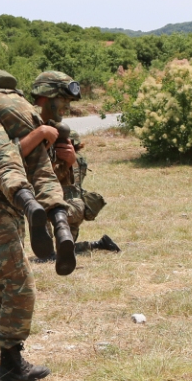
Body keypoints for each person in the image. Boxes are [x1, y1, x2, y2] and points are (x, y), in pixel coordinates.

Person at [0, 68, 75, 381]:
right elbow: (17, 162)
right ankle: (10, 360)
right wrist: (41, 136)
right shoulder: (16, 108)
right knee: (20, 285)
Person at [29, 71, 121, 255]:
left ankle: (91, 245)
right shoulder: (26, 128)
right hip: (30, 200)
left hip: (58, 203)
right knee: (47, 253)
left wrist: (70, 163)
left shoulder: (67, 136)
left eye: (70, 101)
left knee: (56, 251)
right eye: (64, 100)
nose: (68, 106)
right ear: (44, 97)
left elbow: (73, 186)